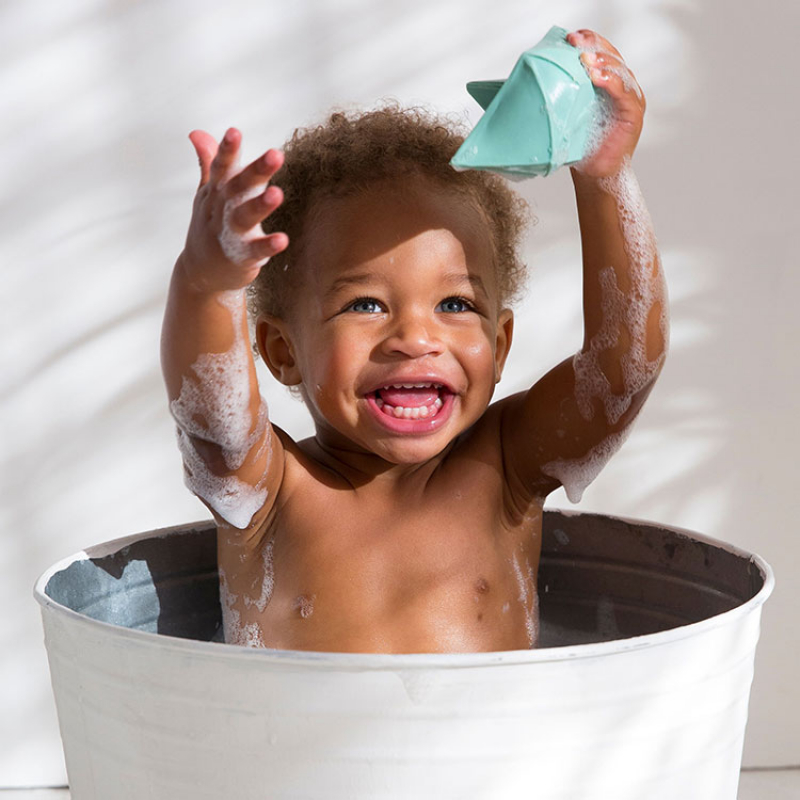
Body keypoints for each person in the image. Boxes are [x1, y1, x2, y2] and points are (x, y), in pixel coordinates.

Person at [161, 29, 667, 652]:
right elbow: (211, 418)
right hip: (294, 749)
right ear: (281, 350)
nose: (414, 336)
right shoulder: (272, 493)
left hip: (492, 750)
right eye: (364, 303)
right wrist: (205, 286)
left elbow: (622, 371)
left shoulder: (504, 468)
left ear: (500, 344)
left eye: (455, 303)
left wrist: (605, 177)